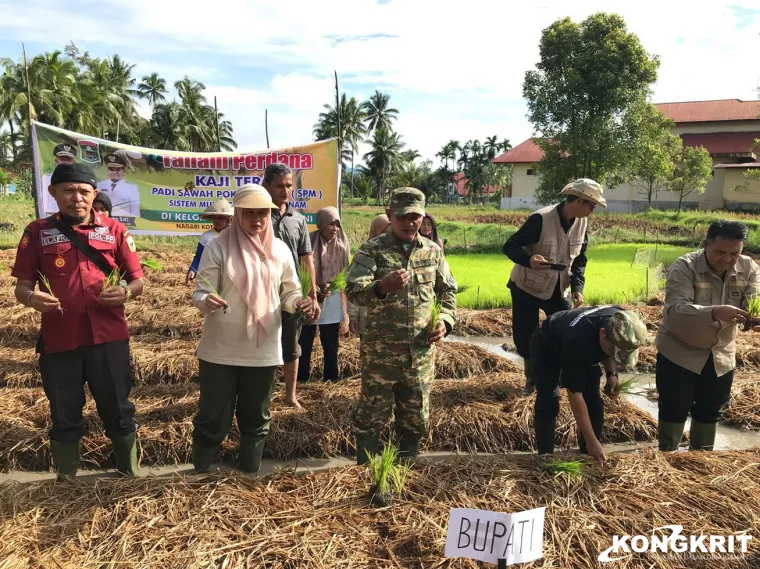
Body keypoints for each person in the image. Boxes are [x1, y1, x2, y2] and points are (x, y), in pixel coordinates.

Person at [11, 163, 144, 478]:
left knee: (118, 408)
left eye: (84, 191)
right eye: (68, 191)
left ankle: (129, 473)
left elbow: (138, 280)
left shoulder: (115, 231)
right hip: (61, 340)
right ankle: (67, 478)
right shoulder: (36, 232)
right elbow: (22, 287)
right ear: (53, 193)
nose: (77, 198)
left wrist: (125, 291)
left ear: (94, 194)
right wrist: (31, 299)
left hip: (109, 338)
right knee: (64, 411)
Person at [190, 185, 316, 474]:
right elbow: (200, 292)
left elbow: (289, 293)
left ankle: (249, 473)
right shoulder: (218, 247)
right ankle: (200, 473)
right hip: (220, 349)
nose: (257, 219)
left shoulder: (280, 250)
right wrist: (206, 300)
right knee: (212, 416)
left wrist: (299, 303)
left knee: (256, 417)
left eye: (263, 213)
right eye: (250, 213)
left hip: (263, 349)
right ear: (237, 214)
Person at [346, 187, 457, 463]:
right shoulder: (372, 250)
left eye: (416, 217)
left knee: (415, 417)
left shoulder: (432, 252)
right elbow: (352, 290)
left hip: (419, 355)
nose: (410, 223)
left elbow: (447, 292)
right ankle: (367, 473)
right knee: (371, 415)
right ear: (389, 215)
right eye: (403, 216)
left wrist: (445, 321)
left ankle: (405, 474)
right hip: (381, 356)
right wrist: (381, 287)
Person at [656, 220, 760, 452]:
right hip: (679, 351)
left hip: (720, 354)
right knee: (674, 407)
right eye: (720, 252)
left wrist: (755, 316)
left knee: (711, 409)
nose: (727, 259)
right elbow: (675, 310)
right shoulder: (684, 267)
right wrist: (714, 312)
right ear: (705, 245)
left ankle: (701, 460)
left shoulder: (749, 267)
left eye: (735, 253)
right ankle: (667, 458)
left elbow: (755, 298)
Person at [503, 178, 605, 396]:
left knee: (564, 332)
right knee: (526, 338)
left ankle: (556, 379)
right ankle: (531, 380)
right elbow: (510, 246)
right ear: (578, 200)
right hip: (526, 287)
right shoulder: (540, 219)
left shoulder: (582, 222)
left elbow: (580, 259)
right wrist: (529, 259)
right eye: (591, 205)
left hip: (558, 288)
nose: (592, 210)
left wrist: (577, 286)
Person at [531, 305, 648, 464]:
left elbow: (610, 349)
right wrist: (591, 440)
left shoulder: (621, 319)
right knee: (549, 400)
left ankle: (588, 457)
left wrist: (611, 374)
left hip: (585, 345)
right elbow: (575, 394)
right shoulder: (577, 342)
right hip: (547, 345)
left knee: (594, 402)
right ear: (602, 333)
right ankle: (545, 458)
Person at [262, 163, 320, 409]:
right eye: (279, 186)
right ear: (266, 186)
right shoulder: (257, 214)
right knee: (260, 345)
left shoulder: (298, 220)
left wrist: (312, 295)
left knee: (291, 345)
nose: (285, 191)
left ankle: (290, 395)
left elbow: (306, 259)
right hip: (261, 292)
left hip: (290, 294)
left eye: (289, 186)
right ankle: (260, 396)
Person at [297, 207, 351, 383]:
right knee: (305, 341)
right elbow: (301, 268)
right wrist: (314, 288)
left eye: (337, 225)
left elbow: (344, 274)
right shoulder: (308, 241)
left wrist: (330, 287)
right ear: (321, 224)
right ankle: (301, 379)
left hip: (332, 298)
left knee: (330, 342)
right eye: (331, 224)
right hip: (309, 296)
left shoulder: (342, 246)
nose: (335, 229)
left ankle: (331, 379)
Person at [347, 214, 391, 336]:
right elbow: (354, 287)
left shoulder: (396, 253)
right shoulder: (365, 253)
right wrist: (353, 316)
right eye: (384, 231)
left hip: (390, 318)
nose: (387, 235)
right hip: (367, 316)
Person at [186, 199, 234, 286]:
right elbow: (199, 256)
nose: (217, 220)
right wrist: (193, 269)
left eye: (221, 217)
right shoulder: (206, 236)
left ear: (229, 219)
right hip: (211, 274)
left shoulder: (234, 236)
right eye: (214, 217)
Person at [97, 153, 140, 223]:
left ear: (124, 171)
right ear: (107, 171)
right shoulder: (99, 185)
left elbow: (135, 213)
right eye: (111, 169)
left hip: (123, 226)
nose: (114, 172)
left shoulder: (132, 188)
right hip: (101, 224)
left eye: (118, 169)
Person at [40, 143, 77, 216]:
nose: (65, 162)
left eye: (68, 159)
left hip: (72, 214)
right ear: (56, 161)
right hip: (50, 215)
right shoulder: (46, 179)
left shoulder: (78, 180)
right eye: (62, 159)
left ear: (73, 162)